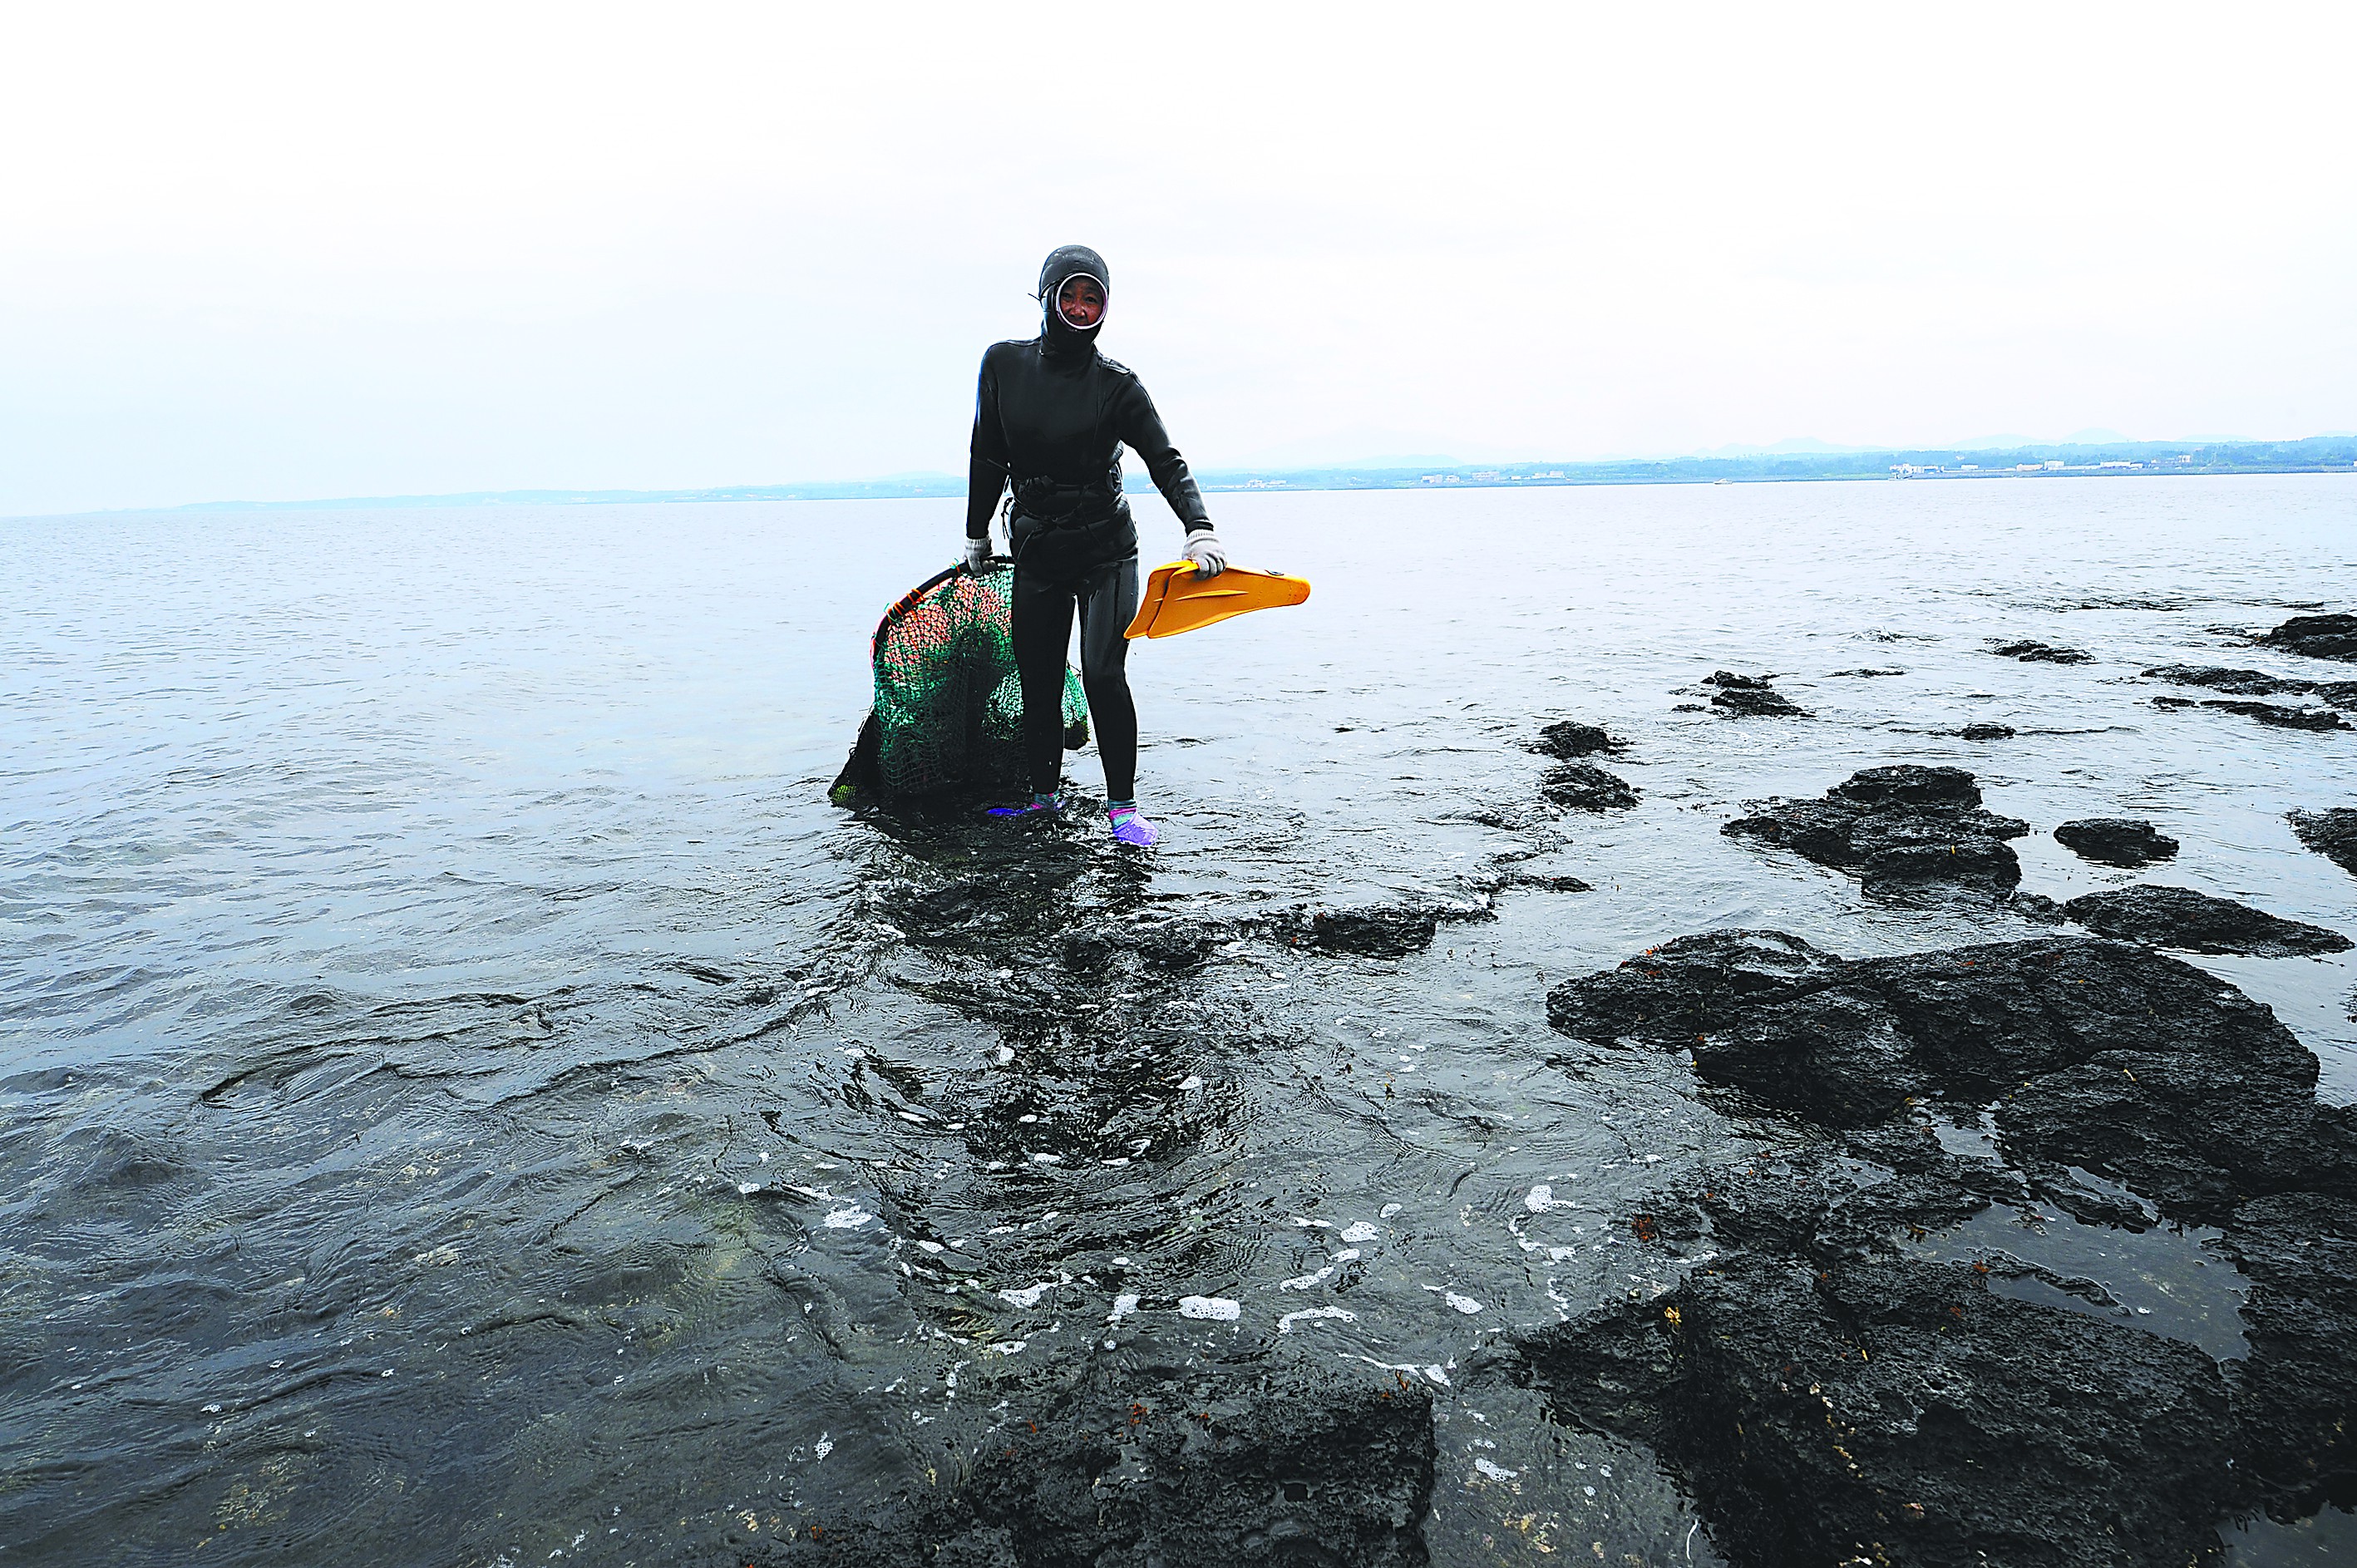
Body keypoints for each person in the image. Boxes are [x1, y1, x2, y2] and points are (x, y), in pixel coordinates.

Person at [962, 244, 1225, 848]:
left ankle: (1123, 808)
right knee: (1039, 678)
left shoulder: (1117, 386)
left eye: (1093, 298)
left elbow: (1166, 461)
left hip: (1107, 551)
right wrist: (976, 531)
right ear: (1047, 297)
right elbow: (987, 453)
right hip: (1037, 549)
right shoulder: (1002, 364)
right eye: (1071, 295)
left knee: (1104, 673)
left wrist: (1199, 526)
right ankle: (1042, 799)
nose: (1081, 308)